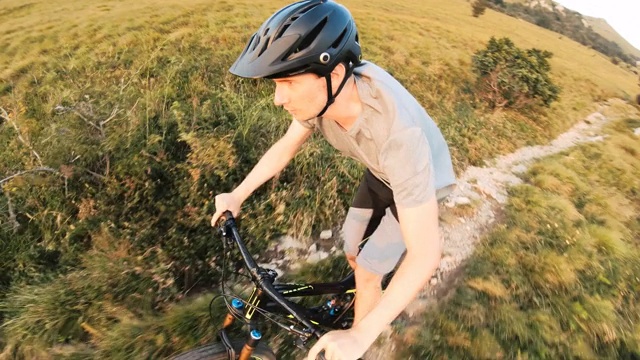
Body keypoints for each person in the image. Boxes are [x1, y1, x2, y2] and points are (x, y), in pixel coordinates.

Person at [210, 0, 457, 359]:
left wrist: (360, 337)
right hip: (380, 173)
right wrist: (237, 194)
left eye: (288, 81)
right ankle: (359, 290)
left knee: (370, 272)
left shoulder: (398, 136)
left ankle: (359, 335)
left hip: (420, 181)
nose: (278, 99)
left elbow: (426, 254)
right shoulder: (323, 98)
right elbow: (287, 145)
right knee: (352, 248)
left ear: (335, 75)